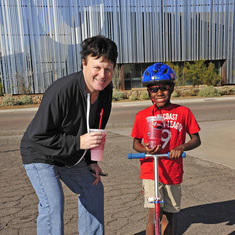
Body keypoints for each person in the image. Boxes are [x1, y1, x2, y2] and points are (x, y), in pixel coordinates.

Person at [20, 35, 118, 235]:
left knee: (93, 189)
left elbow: (97, 127)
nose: (102, 75)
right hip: (40, 153)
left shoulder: (106, 90)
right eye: (97, 67)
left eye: (108, 69)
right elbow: (38, 136)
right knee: (53, 203)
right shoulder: (62, 91)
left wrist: (92, 160)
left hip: (70, 152)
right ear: (84, 63)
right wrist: (78, 141)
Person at [131, 63, 201, 235]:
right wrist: (145, 149)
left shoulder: (183, 112)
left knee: (169, 216)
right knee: (154, 216)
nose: (159, 92)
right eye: (154, 89)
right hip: (150, 170)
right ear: (149, 92)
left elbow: (196, 139)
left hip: (173, 170)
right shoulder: (142, 115)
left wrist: (182, 146)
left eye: (164, 87)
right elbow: (135, 143)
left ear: (171, 88)